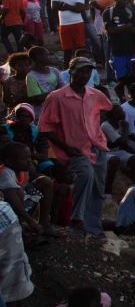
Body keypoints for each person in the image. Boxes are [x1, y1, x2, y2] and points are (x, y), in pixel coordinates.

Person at [37, 57, 112, 237]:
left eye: (87, 71)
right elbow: (44, 129)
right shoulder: (57, 97)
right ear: (71, 72)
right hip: (74, 149)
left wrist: (97, 130)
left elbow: (109, 109)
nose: (84, 75)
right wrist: (66, 147)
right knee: (85, 175)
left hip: (96, 146)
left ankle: (93, 228)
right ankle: (76, 220)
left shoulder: (94, 94)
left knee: (97, 188)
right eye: (80, 71)